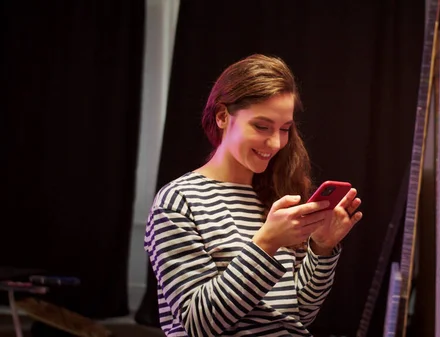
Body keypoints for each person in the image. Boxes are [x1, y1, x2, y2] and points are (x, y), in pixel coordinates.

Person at [144, 54, 363, 337]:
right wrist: (266, 243)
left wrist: (321, 249)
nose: (275, 143)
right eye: (261, 126)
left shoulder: (276, 195)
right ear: (223, 116)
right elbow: (199, 324)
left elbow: (298, 317)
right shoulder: (178, 202)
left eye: (285, 129)